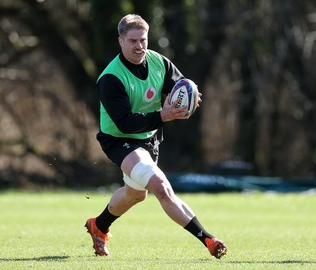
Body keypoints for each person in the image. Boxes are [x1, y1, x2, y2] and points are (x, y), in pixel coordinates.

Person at [85, 14, 227, 259]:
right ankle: (208, 239)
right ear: (120, 41)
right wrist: (164, 115)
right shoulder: (111, 78)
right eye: (133, 41)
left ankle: (99, 226)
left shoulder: (159, 62)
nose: (139, 46)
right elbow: (125, 123)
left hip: (150, 138)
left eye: (143, 40)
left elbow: (181, 86)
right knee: (161, 187)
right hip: (120, 139)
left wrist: (189, 97)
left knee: (136, 194)